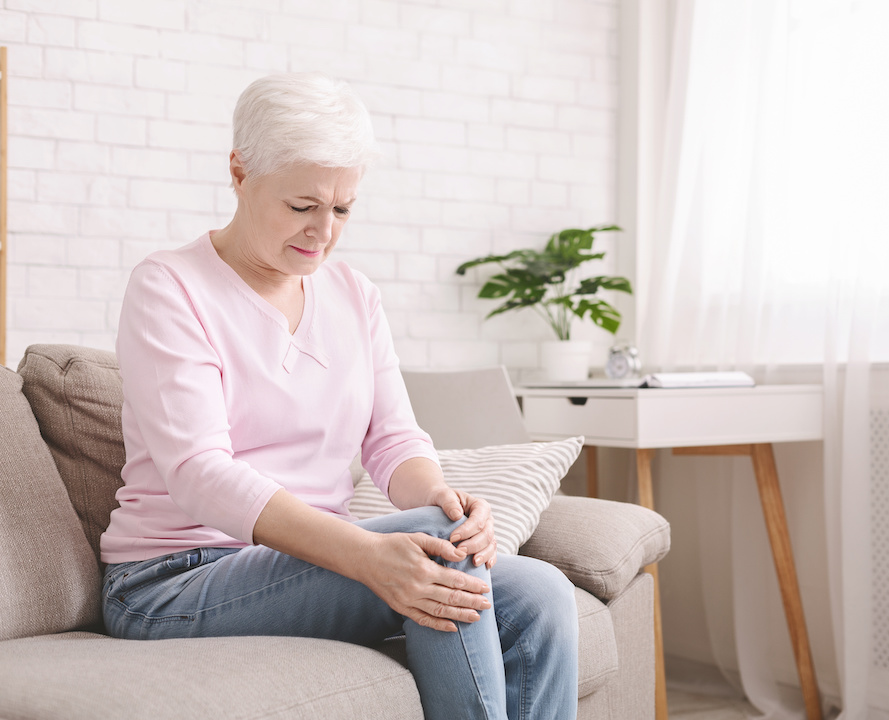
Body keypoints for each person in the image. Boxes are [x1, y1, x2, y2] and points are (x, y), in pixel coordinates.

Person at [98, 73, 578, 720]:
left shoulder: (353, 295)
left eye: (343, 209)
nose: (323, 231)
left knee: (543, 595)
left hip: (304, 564)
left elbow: (393, 440)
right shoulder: (171, 287)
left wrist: (439, 498)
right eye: (303, 205)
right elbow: (197, 474)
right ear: (239, 172)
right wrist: (370, 553)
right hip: (175, 579)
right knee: (433, 546)